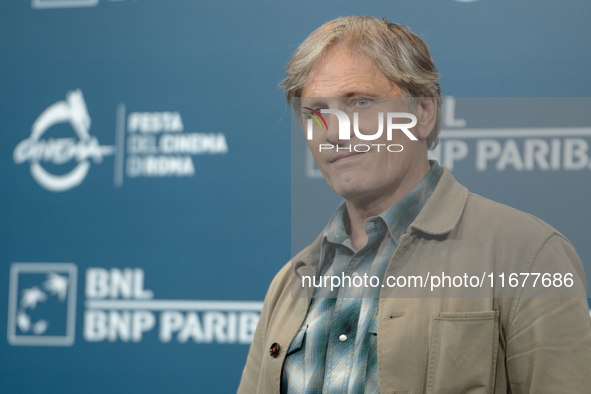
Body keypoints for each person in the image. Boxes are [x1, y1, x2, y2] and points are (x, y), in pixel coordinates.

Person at [238, 16, 591, 394]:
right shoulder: (288, 282)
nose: (336, 132)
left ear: (423, 112)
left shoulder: (529, 255)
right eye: (317, 112)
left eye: (360, 102)